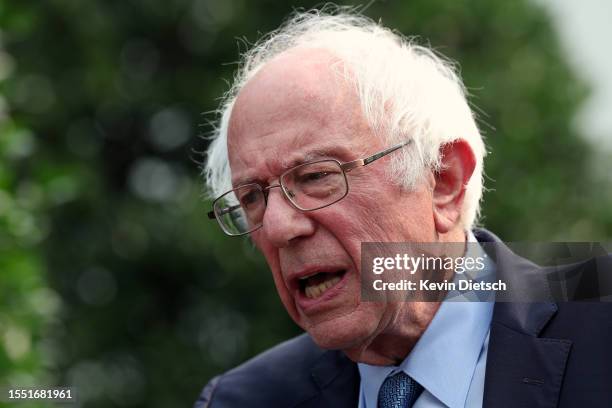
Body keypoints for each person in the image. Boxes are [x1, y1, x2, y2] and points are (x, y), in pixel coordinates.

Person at [195, 8, 612, 408]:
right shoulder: (241, 399)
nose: (277, 227)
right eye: (252, 197)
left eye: (315, 176)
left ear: (443, 181)